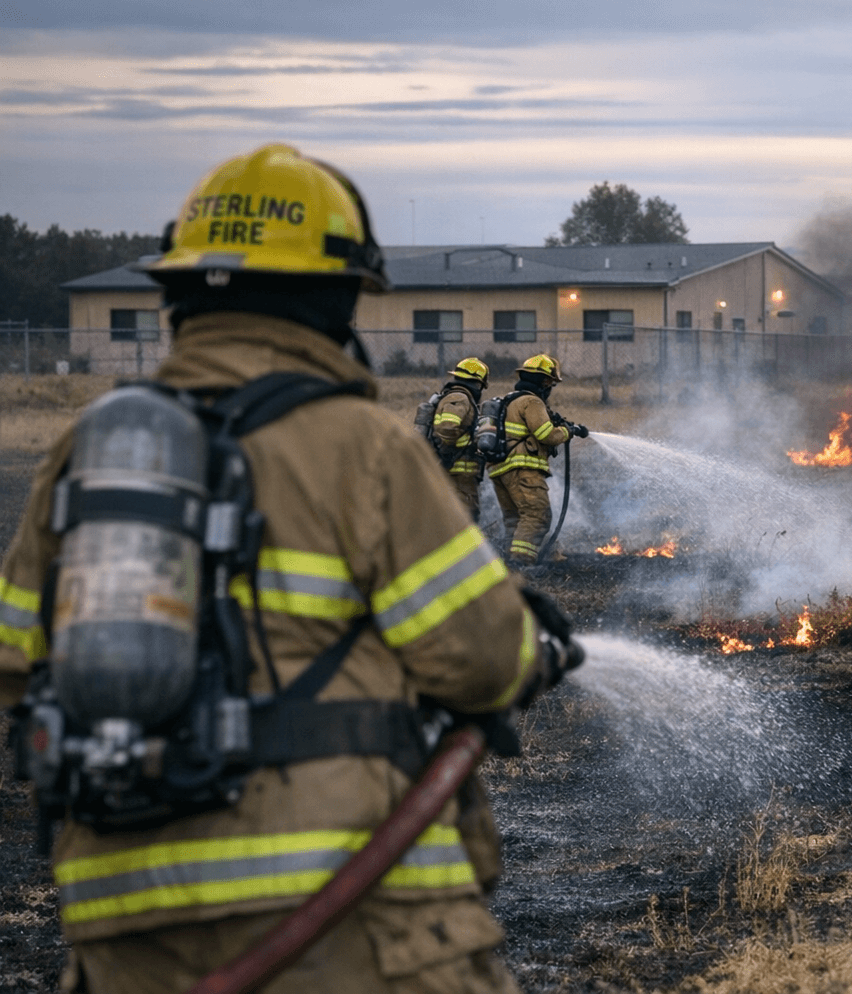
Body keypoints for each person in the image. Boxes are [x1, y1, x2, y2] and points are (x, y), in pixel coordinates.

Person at [0, 143, 574, 994]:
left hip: (124, 922)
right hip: (343, 920)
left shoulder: (90, 450)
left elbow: (18, 661)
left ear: (181, 294)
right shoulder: (361, 445)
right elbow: (481, 659)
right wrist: (530, 636)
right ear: (334, 298)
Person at [485, 354, 588, 564]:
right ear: (544, 382)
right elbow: (546, 435)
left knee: (515, 519)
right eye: (551, 383)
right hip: (522, 469)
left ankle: (509, 563)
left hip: (500, 470)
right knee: (537, 516)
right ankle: (522, 563)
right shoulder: (532, 401)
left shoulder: (509, 400)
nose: (551, 388)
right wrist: (569, 431)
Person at [431, 357, 491, 520]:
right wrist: (469, 444)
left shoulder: (458, 397)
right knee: (463, 519)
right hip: (456, 472)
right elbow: (447, 428)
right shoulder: (459, 398)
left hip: (459, 475)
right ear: (477, 383)